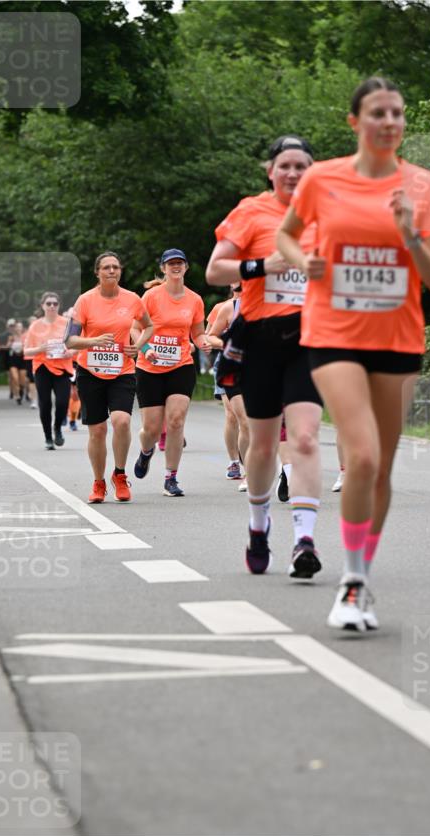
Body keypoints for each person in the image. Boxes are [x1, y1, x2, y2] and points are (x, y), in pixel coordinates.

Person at [277, 77, 430, 629]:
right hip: (333, 333)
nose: (389, 122)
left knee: (381, 473)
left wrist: (409, 234)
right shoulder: (323, 178)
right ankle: (351, 585)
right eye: (378, 113)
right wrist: (303, 262)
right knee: (365, 456)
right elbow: (287, 234)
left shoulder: (423, 186)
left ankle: (363, 573)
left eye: (398, 113)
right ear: (355, 122)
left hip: (398, 338)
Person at [206, 134, 324, 580]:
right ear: (270, 171)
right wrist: (260, 267)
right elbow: (215, 269)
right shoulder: (251, 211)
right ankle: (259, 527)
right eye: (286, 165)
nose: (294, 173)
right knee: (262, 443)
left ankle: (304, 540)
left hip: (311, 339)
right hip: (259, 339)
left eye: (302, 166)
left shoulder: (326, 214)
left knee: (306, 438)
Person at [65, 250, 153, 502]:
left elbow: (148, 326)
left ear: (120, 271)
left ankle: (120, 475)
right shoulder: (85, 301)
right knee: (98, 430)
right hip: (90, 372)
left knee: (122, 421)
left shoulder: (132, 299)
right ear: (97, 272)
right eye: (106, 267)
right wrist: (93, 341)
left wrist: (139, 346)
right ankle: (98, 482)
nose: (112, 271)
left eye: (116, 267)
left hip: (122, 371)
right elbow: (69, 340)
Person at [132, 250, 208, 497]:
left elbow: (197, 332)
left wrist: (203, 341)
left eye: (179, 263)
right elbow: (134, 329)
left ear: (186, 268)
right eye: (170, 264)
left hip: (180, 366)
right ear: (163, 269)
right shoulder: (151, 297)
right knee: (151, 430)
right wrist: (146, 347)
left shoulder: (195, 300)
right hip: (149, 367)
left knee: (176, 422)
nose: (175, 267)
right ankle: (146, 452)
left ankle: (171, 478)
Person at [205, 284, 250, 486]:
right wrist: (228, 344)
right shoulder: (224, 307)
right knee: (234, 416)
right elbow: (208, 335)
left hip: (257, 369)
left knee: (251, 421)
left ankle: (254, 465)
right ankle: (235, 462)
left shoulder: (267, 304)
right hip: (229, 367)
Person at [24, 292, 75, 450]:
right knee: (45, 403)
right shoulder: (35, 326)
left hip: (62, 367)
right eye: (48, 304)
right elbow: (26, 351)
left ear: (59, 306)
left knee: (62, 402)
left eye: (55, 303)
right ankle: (48, 437)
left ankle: (57, 428)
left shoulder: (67, 323)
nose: (52, 306)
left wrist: (70, 352)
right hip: (42, 367)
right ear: (43, 306)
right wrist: (40, 348)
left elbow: (77, 345)